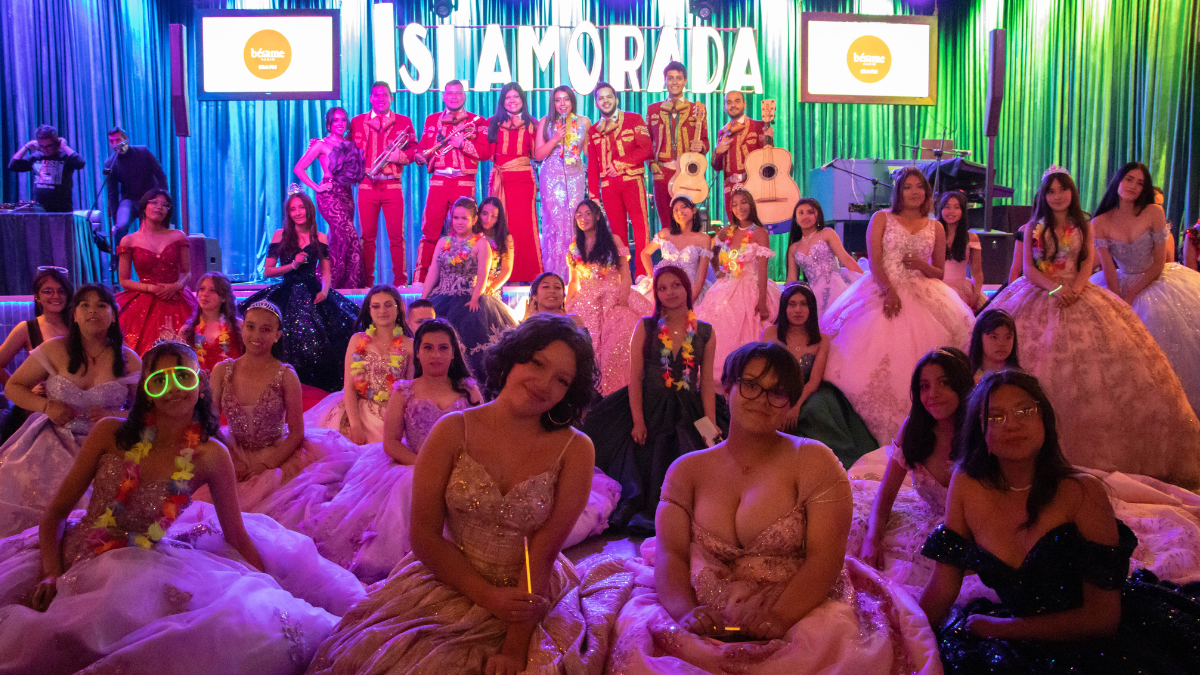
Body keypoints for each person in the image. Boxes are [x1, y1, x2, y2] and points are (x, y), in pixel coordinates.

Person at [0, 341, 365, 675]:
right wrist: (51, 573)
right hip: (79, 554)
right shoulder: (109, 433)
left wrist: (269, 588)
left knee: (240, 629)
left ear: (200, 383)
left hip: (147, 564)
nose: (173, 388)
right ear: (146, 390)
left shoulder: (210, 455)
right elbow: (55, 514)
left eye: (182, 376)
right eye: (159, 380)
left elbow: (236, 535)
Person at [305, 315, 630, 674]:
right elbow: (424, 536)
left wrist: (514, 647)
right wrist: (489, 597)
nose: (544, 383)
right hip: (449, 577)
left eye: (562, 380)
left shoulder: (576, 449)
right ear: (513, 357)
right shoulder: (451, 431)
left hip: (531, 591)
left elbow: (543, 551)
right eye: (537, 363)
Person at [607, 342, 942, 674]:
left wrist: (780, 616)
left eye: (777, 392)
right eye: (751, 385)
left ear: (790, 403)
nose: (762, 400)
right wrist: (684, 612)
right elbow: (672, 554)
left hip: (802, 607)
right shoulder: (686, 470)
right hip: (695, 608)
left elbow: (825, 558)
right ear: (728, 389)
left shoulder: (814, 461)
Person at [918, 370, 1200, 674]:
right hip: (1013, 636)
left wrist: (1003, 628)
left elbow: (1103, 618)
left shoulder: (1083, 492)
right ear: (982, 434)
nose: (1012, 424)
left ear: (1044, 421)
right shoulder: (966, 485)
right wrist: (907, 637)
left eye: (1025, 411)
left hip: (1097, 643)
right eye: (995, 417)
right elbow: (943, 586)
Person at [987, 166, 1200, 487]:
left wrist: (1075, 287)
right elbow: (1028, 269)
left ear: (1071, 193)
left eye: (1063, 189)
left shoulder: (1083, 225)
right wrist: (1055, 289)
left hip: (1079, 291)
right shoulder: (1032, 227)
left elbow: (1087, 261)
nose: (1058, 196)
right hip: (1041, 290)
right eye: (1051, 191)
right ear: (1044, 195)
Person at [261, 318, 482, 583]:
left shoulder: (468, 390)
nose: (436, 355)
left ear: (454, 352)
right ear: (418, 352)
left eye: (443, 348)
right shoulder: (405, 391)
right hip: (411, 465)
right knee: (411, 490)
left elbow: (481, 436)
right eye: (428, 347)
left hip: (460, 467)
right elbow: (391, 443)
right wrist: (425, 466)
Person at [821, 167, 975, 445]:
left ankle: (925, 432)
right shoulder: (882, 218)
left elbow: (939, 272)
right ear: (899, 192)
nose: (914, 192)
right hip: (881, 288)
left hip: (925, 292)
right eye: (908, 187)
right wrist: (889, 290)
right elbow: (875, 261)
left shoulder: (936, 227)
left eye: (920, 187)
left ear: (927, 192)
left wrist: (921, 265)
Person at [586, 266, 725, 534]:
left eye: (676, 285)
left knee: (698, 454)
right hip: (649, 406)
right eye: (662, 288)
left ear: (687, 288)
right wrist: (638, 420)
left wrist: (710, 425)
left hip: (688, 408)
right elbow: (635, 377)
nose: (670, 292)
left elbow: (706, 383)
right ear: (656, 294)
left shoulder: (705, 332)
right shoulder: (646, 326)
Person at [0, 284, 139, 537]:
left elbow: (147, 411)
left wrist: (116, 416)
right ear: (74, 315)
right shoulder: (53, 349)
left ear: (113, 315)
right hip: (51, 440)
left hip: (106, 444)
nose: (92, 311)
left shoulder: (128, 359)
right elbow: (13, 387)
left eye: (101, 305)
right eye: (84, 305)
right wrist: (46, 406)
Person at [848, 349, 975, 598]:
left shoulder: (980, 430)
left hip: (973, 534)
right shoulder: (914, 428)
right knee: (857, 533)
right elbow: (885, 496)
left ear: (961, 385)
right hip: (925, 520)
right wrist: (873, 537)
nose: (932, 394)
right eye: (924, 386)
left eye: (944, 383)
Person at [196, 301, 335, 512]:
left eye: (266, 329)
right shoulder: (222, 371)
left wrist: (266, 465)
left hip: (276, 457)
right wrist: (230, 461)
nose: (256, 335)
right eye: (250, 327)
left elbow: (297, 433)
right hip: (231, 453)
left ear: (277, 335)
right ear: (242, 327)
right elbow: (211, 424)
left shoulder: (286, 375)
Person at [1090, 161, 1200, 416]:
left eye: (1140, 183)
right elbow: (1108, 267)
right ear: (1118, 180)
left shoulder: (1153, 212)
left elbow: (1159, 262)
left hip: (1156, 278)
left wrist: (1132, 293)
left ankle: (1168, 403)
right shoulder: (1101, 221)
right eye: (1129, 179)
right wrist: (1117, 298)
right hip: (1119, 280)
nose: (1133, 186)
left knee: (1159, 323)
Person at [239, 189, 358, 392]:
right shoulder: (280, 235)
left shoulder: (320, 237)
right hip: (287, 292)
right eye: (293, 209)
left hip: (313, 292)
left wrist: (325, 291)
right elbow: (268, 271)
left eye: (301, 207)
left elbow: (326, 271)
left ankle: (318, 390)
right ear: (288, 213)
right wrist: (292, 265)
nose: (297, 212)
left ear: (309, 209)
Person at [762, 283, 876, 467]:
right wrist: (783, 402)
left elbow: (814, 381)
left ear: (811, 308)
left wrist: (796, 405)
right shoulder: (769, 334)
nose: (798, 310)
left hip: (809, 392)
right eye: (792, 304)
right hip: (777, 390)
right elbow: (766, 373)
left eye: (803, 304)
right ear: (784, 307)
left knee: (814, 411)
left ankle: (830, 464)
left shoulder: (821, 339)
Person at [421, 197, 517, 377]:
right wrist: (423, 299)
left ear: (474, 220)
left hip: (468, 299)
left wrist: (475, 297)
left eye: (464, 218)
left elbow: (483, 273)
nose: (459, 222)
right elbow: (433, 271)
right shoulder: (443, 242)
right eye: (456, 218)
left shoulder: (481, 243)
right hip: (441, 297)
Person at [306, 284, 414, 444]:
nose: (382, 311)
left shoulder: (410, 345)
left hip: (394, 414)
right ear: (369, 310)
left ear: (398, 308)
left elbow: (409, 390)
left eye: (388, 305)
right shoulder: (357, 340)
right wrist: (355, 426)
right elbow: (349, 387)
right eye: (376, 306)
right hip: (358, 411)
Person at [565, 199, 652, 394]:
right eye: (579, 215)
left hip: (613, 295)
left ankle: (621, 390)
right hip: (586, 300)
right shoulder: (574, 246)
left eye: (588, 213)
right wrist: (568, 304)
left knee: (625, 336)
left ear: (597, 216)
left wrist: (624, 296)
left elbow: (625, 273)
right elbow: (573, 281)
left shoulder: (613, 240)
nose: (583, 218)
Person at [695, 189, 782, 384]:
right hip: (726, 286)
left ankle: (746, 374)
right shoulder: (727, 230)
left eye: (743, 202)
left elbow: (762, 270)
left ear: (750, 204)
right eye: (734, 204)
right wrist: (717, 271)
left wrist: (762, 301)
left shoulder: (759, 232)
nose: (739, 207)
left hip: (751, 286)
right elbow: (712, 252)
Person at [414, 80, 493, 282]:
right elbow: (422, 147)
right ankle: (420, 280)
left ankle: (457, 278)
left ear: (464, 96)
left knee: (462, 232)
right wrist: (419, 156)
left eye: (458, 93)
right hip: (439, 180)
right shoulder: (432, 120)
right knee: (429, 230)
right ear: (443, 96)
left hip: (464, 181)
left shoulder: (477, 121)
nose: (454, 97)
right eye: (450, 93)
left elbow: (485, 152)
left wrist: (462, 144)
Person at [113, 189, 197, 355]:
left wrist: (176, 286)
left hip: (176, 296)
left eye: (165, 205)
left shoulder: (178, 236)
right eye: (154, 202)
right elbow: (124, 281)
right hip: (143, 298)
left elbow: (187, 272)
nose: (160, 207)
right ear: (144, 207)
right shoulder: (128, 240)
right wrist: (151, 288)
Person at [351, 81, 417, 286]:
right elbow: (346, 149)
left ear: (391, 98)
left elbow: (414, 150)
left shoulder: (404, 121)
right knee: (367, 238)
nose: (381, 99)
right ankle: (366, 283)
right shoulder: (357, 122)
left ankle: (401, 283)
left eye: (385, 95)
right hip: (366, 185)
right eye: (377, 95)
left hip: (392, 185)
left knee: (397, 237)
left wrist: (400, 157)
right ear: (370, 98)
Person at [294, 106, 366, 289]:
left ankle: (334, 286)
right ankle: (336, 283)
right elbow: (299, 168)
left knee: (338, 239)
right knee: (349, 234)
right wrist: (317, 188)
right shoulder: (321, 144)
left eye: (343, 120)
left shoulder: (350, 145)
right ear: (328, 125)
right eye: (335, 120)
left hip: (347, 195)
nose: (340, 123)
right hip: (329, 195)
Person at [586, 82, 653, 277]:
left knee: (640, 228)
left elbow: (646, 149)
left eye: (609, 97)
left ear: (616, 99)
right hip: (608, 186)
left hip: (632, 180)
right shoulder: (594, 130)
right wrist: (593, 195)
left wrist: (620, 163)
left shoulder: (633, 119)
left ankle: (643, 274)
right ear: (596, 104)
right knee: (617, 233)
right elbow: (593, 165)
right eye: (601, 98)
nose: (605, 101)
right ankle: (622, 274)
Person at [0, 268, 73, 441]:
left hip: (77, 405)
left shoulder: (78, 327)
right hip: (40, 409)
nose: (55, 296)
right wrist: (23, 389)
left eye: (61, 291)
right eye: (48, 291)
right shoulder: (27, 328)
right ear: (37, 296)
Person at [487, 82, 542, 282]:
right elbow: (486, 153)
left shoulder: (532, 124)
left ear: (522, 99)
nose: (512, 101)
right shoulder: (492, 122)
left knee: (524, 226)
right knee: (498, 224)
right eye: (508, 97)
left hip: (523, 180)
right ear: (502, 101)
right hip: (500, 178)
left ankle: (529, 274)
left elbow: (537, 154)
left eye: (516, 97)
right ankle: (498, 275)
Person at [534, 85, 590, 279]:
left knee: (575, 220)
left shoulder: (583, 122)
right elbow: (538, 155)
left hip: (575, 176)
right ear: (553, 103)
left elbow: (589, 152)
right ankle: (554, 274)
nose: (562, 103)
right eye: (558, 100)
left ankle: (575, 273)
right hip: (551, 176)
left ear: (572, 101)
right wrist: (555, 138)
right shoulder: (546, 122)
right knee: (555, 222)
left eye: (566, 99)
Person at [647, 61, 709, 232]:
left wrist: (702, 146)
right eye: (670, 78)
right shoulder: (653, 109)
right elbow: (647, 142)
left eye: (679, 78)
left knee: (687, 222)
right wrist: (652, 165)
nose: (674, 82)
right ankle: (667, 250)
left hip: (688, 174)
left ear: (685, 81)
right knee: (666, 222)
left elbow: (705, 140)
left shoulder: (697, 109)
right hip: (662, 172)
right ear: (665, 81)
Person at [784, 198, 863, 315]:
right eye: (801, 213)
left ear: (818, 215)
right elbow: (792, 279)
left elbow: (845, 259)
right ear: (795, 219)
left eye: (810, 212)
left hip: (836, 285)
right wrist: (785, 300)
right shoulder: (793, 248)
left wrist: (865, 280)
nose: (805, 216)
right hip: (813, 292)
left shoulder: (827, 233)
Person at [634, 194, 713, 302]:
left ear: (694, 209)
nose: (679, 211)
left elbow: (700, 279)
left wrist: (689, 302)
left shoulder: (704, 239)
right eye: (675, 210)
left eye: (684, 207)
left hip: (690, 289)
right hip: (664, 287)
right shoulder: (665, 234)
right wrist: (652, 276)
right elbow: (645, 253)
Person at [712, 90, 770, 222]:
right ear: (724, 107)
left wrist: (769, 140)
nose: (733, 105)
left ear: (744, 104)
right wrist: (718, 151)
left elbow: (768, 159)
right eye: (729, 102)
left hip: (753, 185)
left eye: (737, 101)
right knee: (734, 227)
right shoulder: (723, 132)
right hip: (730, 188)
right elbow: (716, 166)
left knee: (755, 226)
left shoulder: (758, 126)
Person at [103, 126, 168, 242]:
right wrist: (115, 222)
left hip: (150, 198)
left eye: (117, 140)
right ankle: (120, 254)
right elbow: (112, 193)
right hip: (129, 200)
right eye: (111, 141)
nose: (114, 144)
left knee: (151, 230)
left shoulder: (143, 152)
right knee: (120, 227)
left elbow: (160, 174)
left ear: (126, 140)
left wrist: (162, 199)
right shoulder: (110, 163)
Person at [7, 124, 85, 212]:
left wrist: (64, 146)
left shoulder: (65, 157)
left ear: (56, 143)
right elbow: (13, 165)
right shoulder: (36, 157)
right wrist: (26, 147)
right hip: (39, 209)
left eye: (48, 146)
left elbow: (80, 163)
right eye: (41, 146)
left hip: (61, 209)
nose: (44, 149)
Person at [179, 271, 243, 373]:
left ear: (224, 298)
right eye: (202, 289)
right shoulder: (186, 331)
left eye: (212, 290)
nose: (205, 294)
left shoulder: (239, 327)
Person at [938, 190, 986, 311]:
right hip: (936, 288)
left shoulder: (971, 238)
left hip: (961, 290)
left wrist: (976, 295)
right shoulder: (932, 235)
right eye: (947, 207)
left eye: (956, 207)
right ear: (941, 209)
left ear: (963, 211)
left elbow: (977, 272)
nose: (951, 211)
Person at [477, 196, 515, 300]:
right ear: (479, 214)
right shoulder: (472, 234)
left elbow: (506, 269)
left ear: (498, 219)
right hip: (471, 286)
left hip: (491, 289)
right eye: (484, 213)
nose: (488, 219)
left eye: (493, 216)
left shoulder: (505, 238)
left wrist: (491, 288)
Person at [968, 308, 1019, 380]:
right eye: (994, 337)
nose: (1001, 343)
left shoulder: (1019, 380)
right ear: (979, 338)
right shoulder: (968, 378)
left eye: (1008, 337)